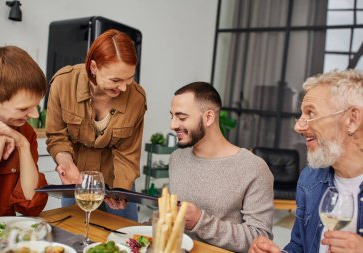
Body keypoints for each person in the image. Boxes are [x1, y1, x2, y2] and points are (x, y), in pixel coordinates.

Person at [248, 69, 363, 253]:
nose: (298, 126)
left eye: (310, 113)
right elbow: (299, 247)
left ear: (351, 119)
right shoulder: (310, 178)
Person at [46, 29, 146, 221]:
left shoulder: (137, 98)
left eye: (129, 78)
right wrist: (65, 162)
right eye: (116, 80)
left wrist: (122, 189)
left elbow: (128, 153)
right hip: (77, 179)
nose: (124, 87)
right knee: (73, 233)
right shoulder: (63, 83)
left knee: (125, 238)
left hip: (116, 179)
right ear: (93, 67)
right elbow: (57, 136)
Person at [169, 82, 274, 252]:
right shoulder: (177, 158)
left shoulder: (254, 168)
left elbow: (260, 239)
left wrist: (201, 222)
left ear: (209, 117)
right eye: (172, 116)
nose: (172, 125)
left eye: (181, 118)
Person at [0, 46, 48, 217]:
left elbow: (31, 205)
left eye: (36, 106)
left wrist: (23, 145)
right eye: (23, 108)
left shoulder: (24, 133)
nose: (34, 114)